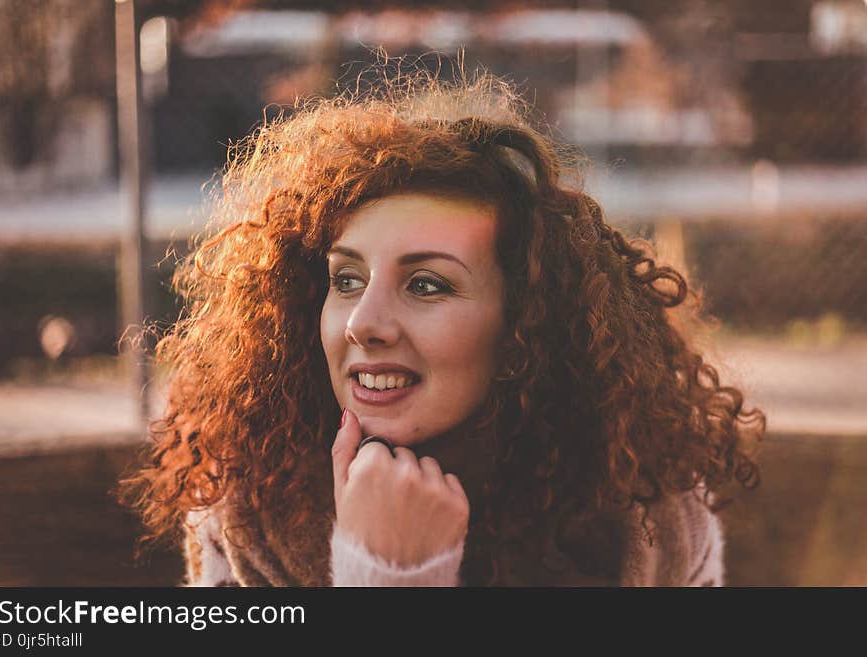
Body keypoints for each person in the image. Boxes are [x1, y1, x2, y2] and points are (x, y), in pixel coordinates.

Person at [121, 68, 763, 587]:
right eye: (346, 280)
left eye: (426, 285)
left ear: (525, 325)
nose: (364, 324)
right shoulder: (251, 507)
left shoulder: (652, 521)